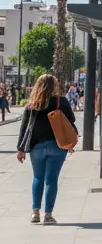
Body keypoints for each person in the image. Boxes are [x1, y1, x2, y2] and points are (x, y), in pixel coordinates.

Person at [16, 73, 75, 224]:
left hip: (36, 147)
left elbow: (24, 128)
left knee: (37, 178)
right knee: (51, 180)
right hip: (57, 146)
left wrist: (20, 149)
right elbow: (71, 119)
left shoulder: (32, 104)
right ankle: (48, 215)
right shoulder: (61, 101)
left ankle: (35, 213)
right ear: (54, 85)